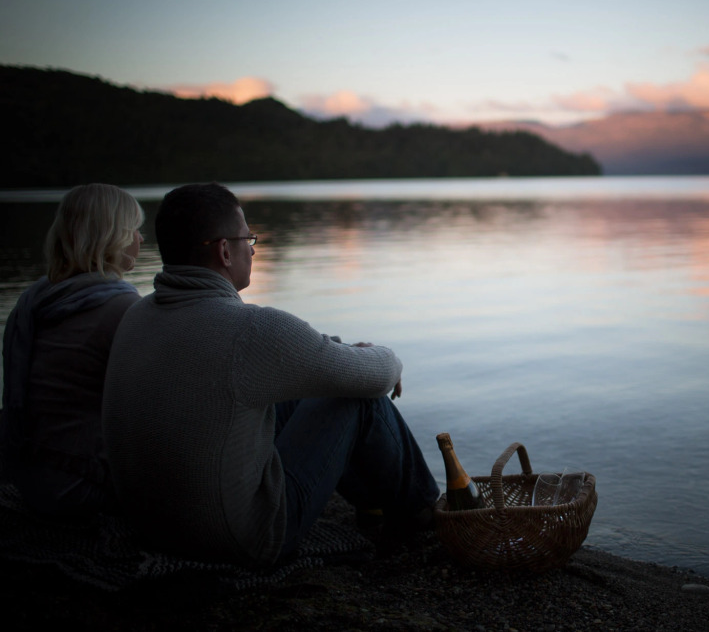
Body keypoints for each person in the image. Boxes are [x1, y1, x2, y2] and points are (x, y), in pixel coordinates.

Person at [102, 182, 439, 567]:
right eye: (248, 239)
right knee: (355, 400)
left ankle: (374, 502)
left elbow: (299, 357)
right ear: (225, 251)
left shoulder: (136, 315)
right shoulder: (249, 330)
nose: (252, 249)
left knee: (304, 385)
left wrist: (343, 353)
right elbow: (378, 375)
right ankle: (424, 510)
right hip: (241, 539)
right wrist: (383, 357)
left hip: (151, 528)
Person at [1, 184, 144, 520]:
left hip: (30, 476)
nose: (140, 239)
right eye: (134, 229)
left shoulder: (34, 301)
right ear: (111, 236)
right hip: (82, 486)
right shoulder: (121, 308)